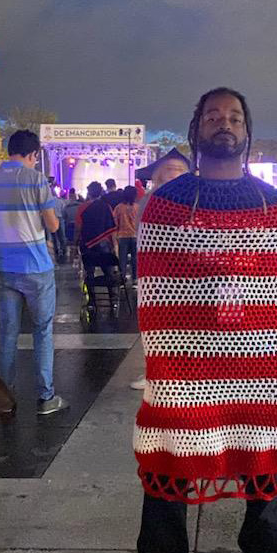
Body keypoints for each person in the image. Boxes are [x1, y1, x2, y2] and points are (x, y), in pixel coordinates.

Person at [134, 87, 277, 553]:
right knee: (168, 455)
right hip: (184, 357)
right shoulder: (166, 202)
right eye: (213, 117)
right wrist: (166, 356)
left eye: (233, 117)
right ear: (196, 130)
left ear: (247, 131)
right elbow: (154, 286)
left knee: (269, 459)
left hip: (262, 357)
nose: (224, 124)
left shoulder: (273, 204)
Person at [0, 130, 69, 415]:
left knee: (8, 332)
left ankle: (6, 397)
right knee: (42, 330)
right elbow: (53, 225)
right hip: (36, 267)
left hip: (4, 264)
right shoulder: (36, 179)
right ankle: (46, 396)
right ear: (33, 155)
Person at [129, 149, 191, 391]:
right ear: (158, 175)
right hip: (158, 274)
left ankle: (186, 371)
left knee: (187, 326)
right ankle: (155, 372)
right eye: (169, 170)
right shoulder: (149, 200)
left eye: (179, 170)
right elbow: (142, 234)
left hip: (189, 275)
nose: (173, 174)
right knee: (157, 327)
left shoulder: (195, 198)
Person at [79, 181, 121, 316]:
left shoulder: (83, 207)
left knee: (89, 274)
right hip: (104, 245)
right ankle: (113, 300)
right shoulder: (106, 207)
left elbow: (79, 228)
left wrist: (75, 244)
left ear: (89, 192)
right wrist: (115, 246)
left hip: (87, 245)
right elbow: (111, 227)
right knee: (108, 273)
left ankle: (91, 302)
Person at [113, 185, 141, 285]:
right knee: (135, 259)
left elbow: (115, 223)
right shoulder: (138, 208)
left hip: (122, 236)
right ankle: (135, 279)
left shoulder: (118, 208)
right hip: (135, 235)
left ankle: (122, 279)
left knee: (122, 259)